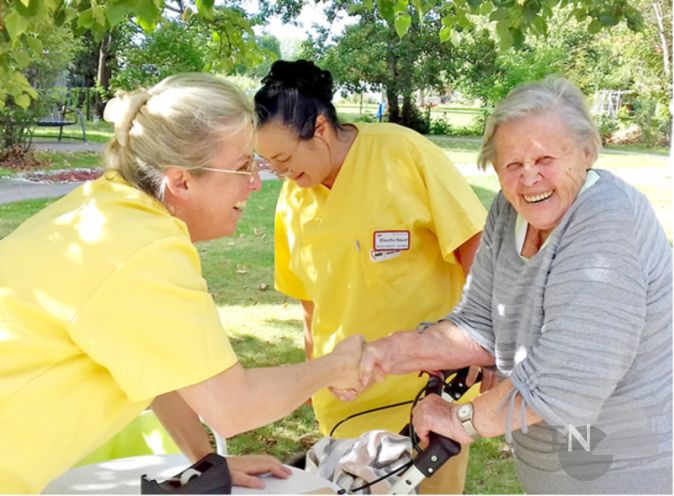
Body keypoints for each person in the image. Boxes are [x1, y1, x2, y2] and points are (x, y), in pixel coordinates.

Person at [0, 73, 365, 493]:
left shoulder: (106, 208)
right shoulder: (142, 250)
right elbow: (234, 405)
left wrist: (205, 461)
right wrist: (336, 365)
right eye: (244, 165)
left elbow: (156, 363)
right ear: (181, 181)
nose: (255, 181)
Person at [358, 76, 673, 493]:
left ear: (587, 152)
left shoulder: (607, 221)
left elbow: (567, 383)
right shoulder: (507, 213)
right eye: (512, 164)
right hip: (551, 471)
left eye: (545, 159)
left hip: (628, 469)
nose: (529, 178)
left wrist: (458, 420)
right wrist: (380, 355)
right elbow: (479, 326)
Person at [254, 60, 486, 493]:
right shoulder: (293, 198)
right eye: (270, 164)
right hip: (343, 400)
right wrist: (313, 372)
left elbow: (476, 247)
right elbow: (308, 299)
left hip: (426, 395)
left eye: (285, 159)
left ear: (320, 129)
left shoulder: (403, 153)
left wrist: (477, 339)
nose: (282, 174)